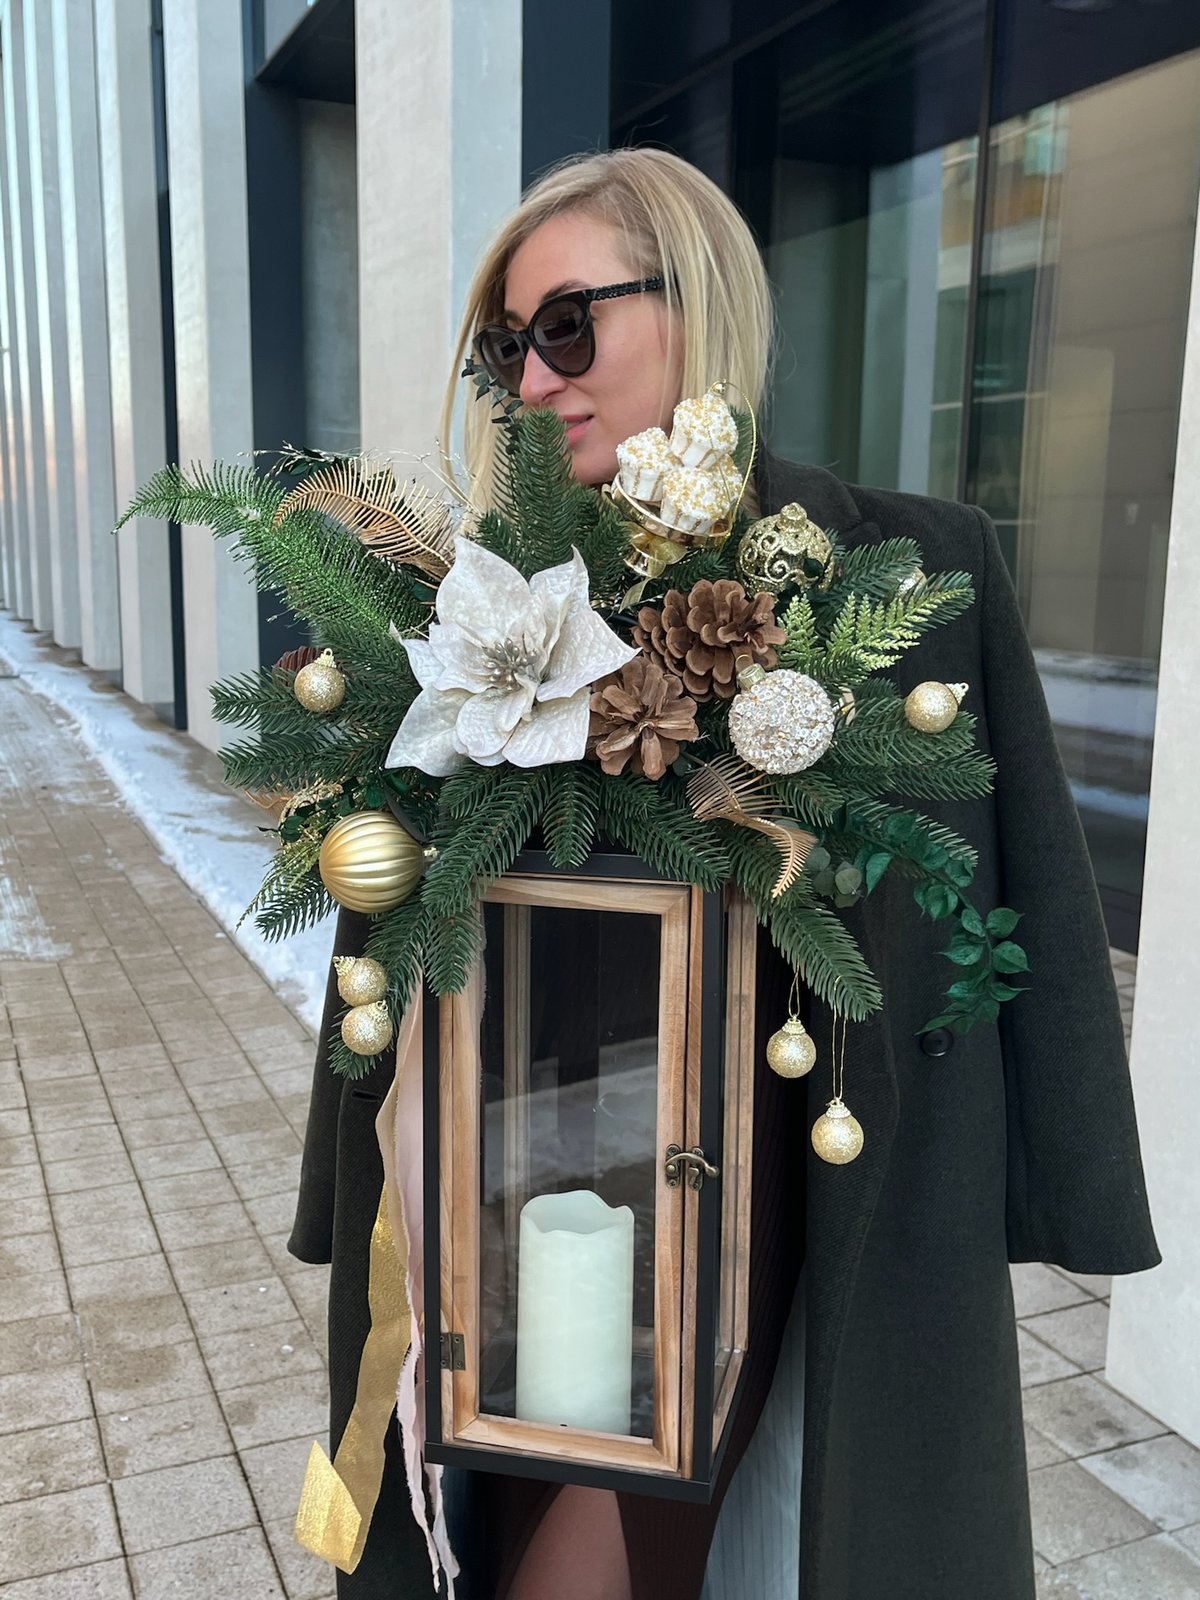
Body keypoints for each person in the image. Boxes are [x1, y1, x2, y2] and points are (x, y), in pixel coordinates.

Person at [289, 147, 1159, 1600]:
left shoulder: (910, 568)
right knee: (530, 1531)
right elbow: (391, 910)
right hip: (540, 1178)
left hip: (800, 1171)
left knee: (775, 1526)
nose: (534, 379)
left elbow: (1027, 896)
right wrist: (351, 1174)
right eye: (508, 348)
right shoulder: (478, 606)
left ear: (692, 301)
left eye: (569, 326)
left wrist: (1064, 1173)